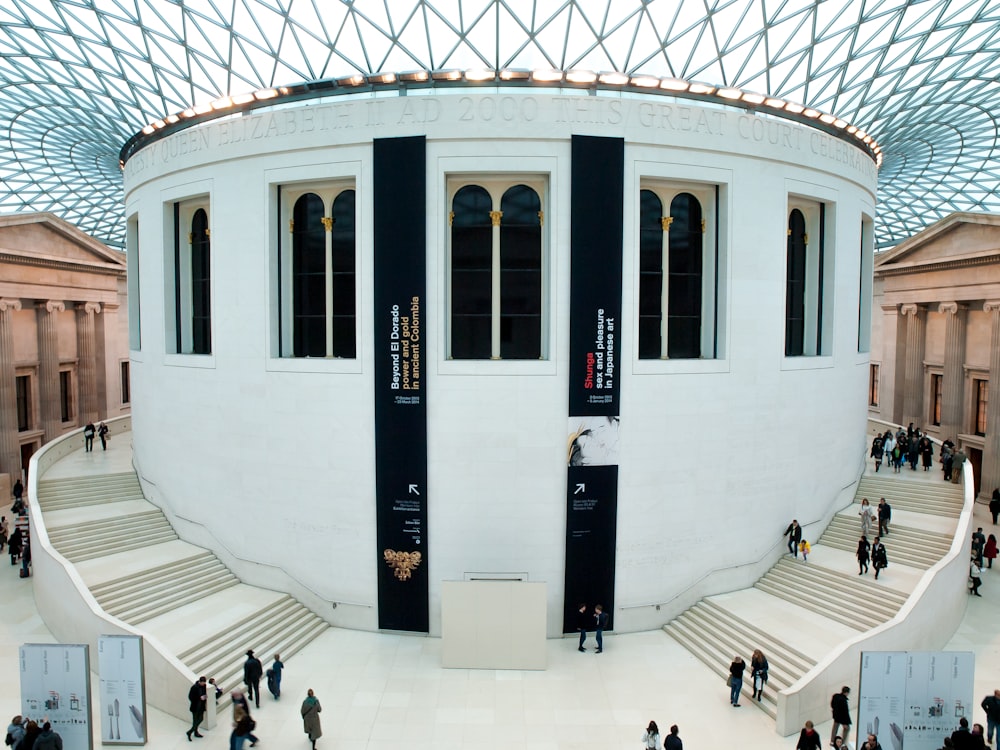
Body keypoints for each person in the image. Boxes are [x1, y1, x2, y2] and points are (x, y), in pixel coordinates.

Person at [187, 675, 207, 740]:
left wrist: (205, 697)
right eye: (203, 683)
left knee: (200, 719)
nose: (203, 684)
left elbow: (204, 693)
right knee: (195, 721)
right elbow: (190, 697)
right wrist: (199, 698)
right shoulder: (194, 687)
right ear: (200, 682)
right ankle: (195, 732)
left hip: (201, 706)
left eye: (204, 683)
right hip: (195, 707)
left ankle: (190, 732)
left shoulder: (204, 686)